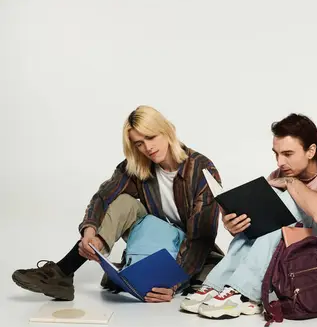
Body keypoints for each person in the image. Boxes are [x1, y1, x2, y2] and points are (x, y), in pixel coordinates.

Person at [12, 105, 223, 302]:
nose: (147, 148)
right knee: (122, 201)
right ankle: (63, 272)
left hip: (191, 250)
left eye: (151, 137)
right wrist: (90, 231)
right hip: (156, 241)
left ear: (167, 130)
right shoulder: (138, 166)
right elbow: (103, 197)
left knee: (203, 280)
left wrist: (172, 281)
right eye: (139, 143)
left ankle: (132, 274)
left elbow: (200, 238)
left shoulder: (201, 169)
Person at [179, 113, 317, 318]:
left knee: (288, 200)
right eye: (276, 154)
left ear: (311, 151)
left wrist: (291, 184)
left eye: (288, 154)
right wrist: (238, 224)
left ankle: (243, 292)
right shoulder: (280, 176)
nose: (280, 162)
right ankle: (218, 285)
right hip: (291, 268)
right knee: (270, 208)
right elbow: (262, 237)